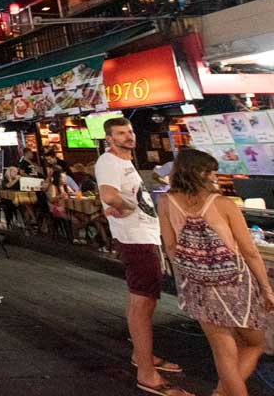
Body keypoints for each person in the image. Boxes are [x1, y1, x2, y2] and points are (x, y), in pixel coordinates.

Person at [158, 149, 274, 396]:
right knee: (256, 343)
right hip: (234, 283)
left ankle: (222, 392)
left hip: (197, 285)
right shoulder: (222, 203)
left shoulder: (166, 202)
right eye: (211, 171)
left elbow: (170, 246)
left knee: (223, 353)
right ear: (199, 172)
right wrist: (266, 288)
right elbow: (249, 251)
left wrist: (187, 278)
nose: (214, 176)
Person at [96, 117, 191, 396]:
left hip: (142, 236)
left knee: (142, 300)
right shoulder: (109, 162)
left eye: (130, 131)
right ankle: (147, 374)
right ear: (109, 138)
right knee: (142, 302)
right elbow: (109, 195)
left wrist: (124, 204)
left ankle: (143, 355)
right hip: (135, 238)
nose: (128, 136)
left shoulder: (124, 163)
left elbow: (118, 198)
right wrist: (124, 205)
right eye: (121, 133)